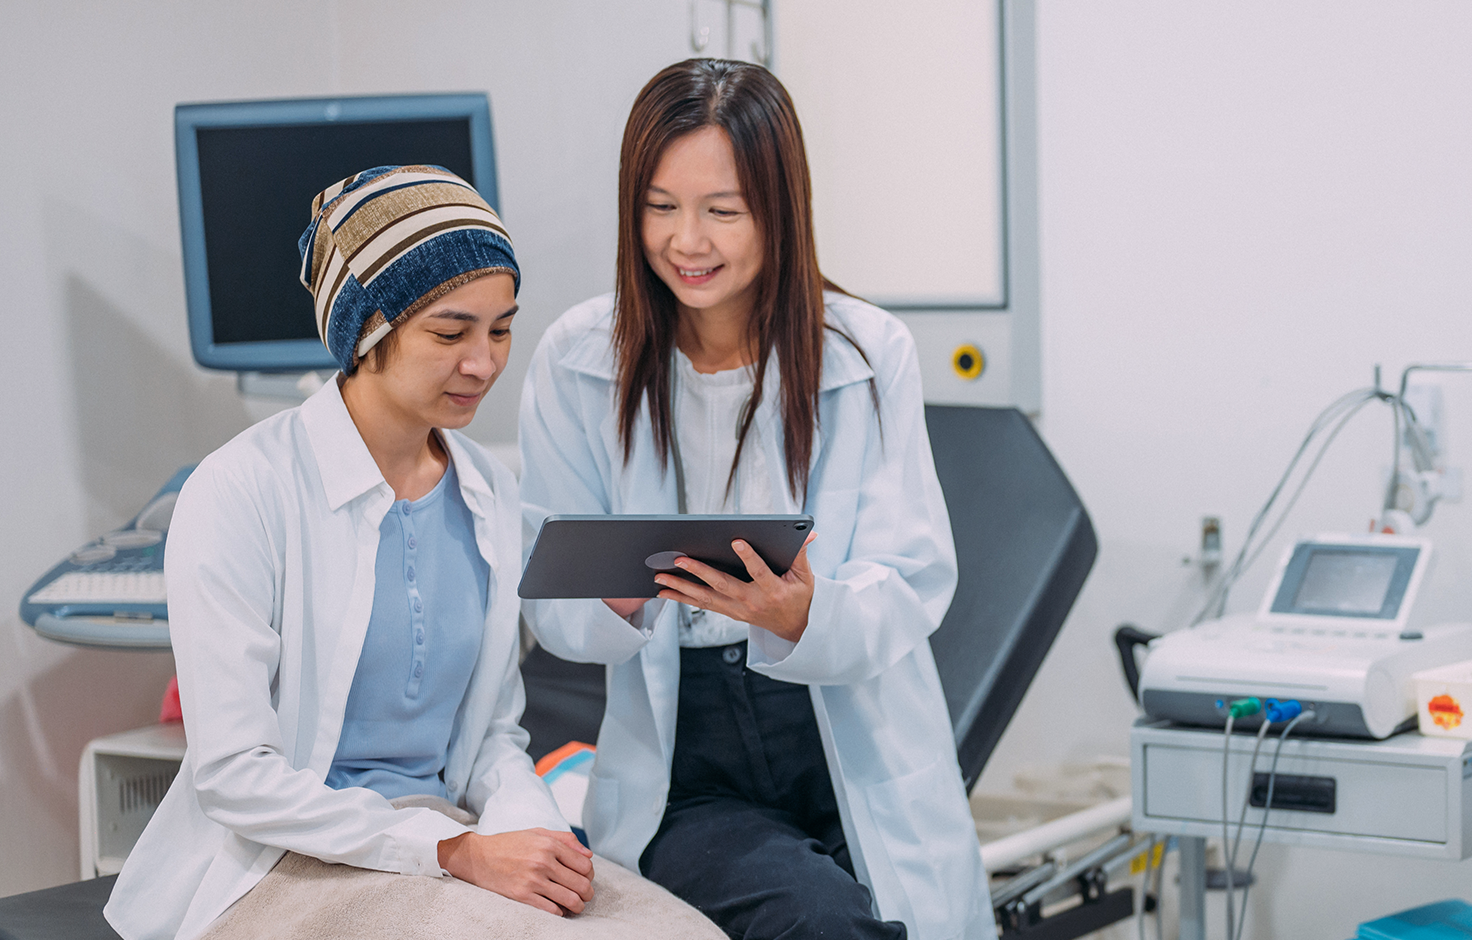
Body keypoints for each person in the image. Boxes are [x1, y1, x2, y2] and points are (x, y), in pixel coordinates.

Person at [518, 60, 994, 940]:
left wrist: (805, 613)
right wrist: (616, 594)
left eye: (721, 211)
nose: (686, 241)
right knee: (824, 924)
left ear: (781, 208)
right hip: (689, 758)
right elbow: (553, 601)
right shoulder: (579, 359)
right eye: (660, 207)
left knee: (896, 915)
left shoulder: (865, 353)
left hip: (843, 719)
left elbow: (914, 578)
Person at [106, 166, 594, 940]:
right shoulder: (241, 492)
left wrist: (533, 836)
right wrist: (454, 851)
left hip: (444, 837)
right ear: (367, 330)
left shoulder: (490, 494)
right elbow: (235, 778)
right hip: (284, 856)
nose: (485, 362)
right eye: (450, 332)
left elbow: (493, 736)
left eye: (500, 330)